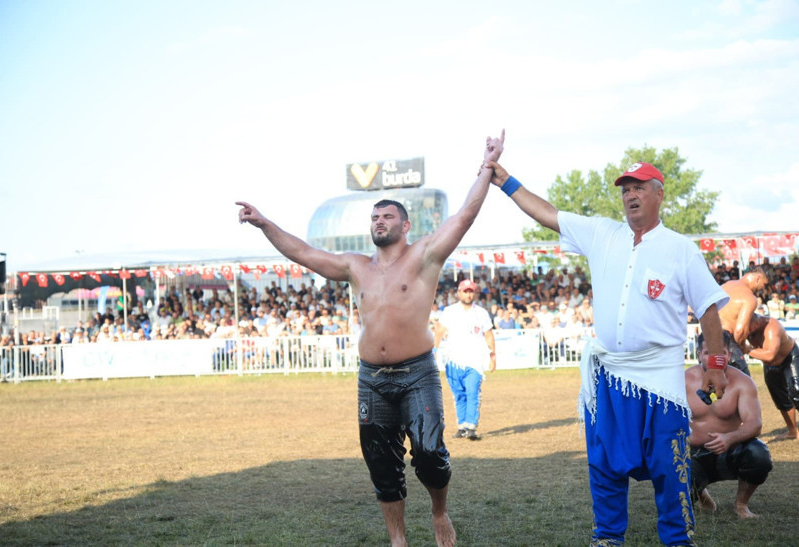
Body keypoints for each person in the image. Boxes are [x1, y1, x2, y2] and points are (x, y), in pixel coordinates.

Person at [236, 130, 505, 547]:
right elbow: (304, 253)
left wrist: (487, 166)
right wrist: (265, 223)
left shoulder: (425, 255)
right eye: (375, 218)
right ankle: (398, 539)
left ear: (405, 223)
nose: (379, 222)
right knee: (381, 463)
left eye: (387, 217)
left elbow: (465, 214)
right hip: (372, 378)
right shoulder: (355, 266)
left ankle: (439, 512)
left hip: (417, 372)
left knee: (431, 452)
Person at [487, 159, 729, 546]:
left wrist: (716, 363)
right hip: (610, 376)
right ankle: (607, 537)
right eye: (625, 189)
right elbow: (547, 213)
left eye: (639, 187)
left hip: (660, 377)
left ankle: (678, 538)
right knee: (604, 463)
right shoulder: (602, 233)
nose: (630, 195)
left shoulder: (680, 249)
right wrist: (505, 181)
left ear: (659, 194)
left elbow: (709, 308)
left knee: (670, 464)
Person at [686, 331, 772, 518]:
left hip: (731, 453)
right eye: (709, 352)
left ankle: (741, 505)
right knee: (672, 467)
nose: (715, 358)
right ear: (699, 354)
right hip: (694, 454)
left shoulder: (742, 382)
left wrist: (729, 438)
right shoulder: (683, 381)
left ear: (728, 354)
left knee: (759, 454)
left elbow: (754, 424)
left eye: (721, 352)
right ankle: (700, 492)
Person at [434, 279, 496, 441]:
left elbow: (489, 335)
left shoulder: (481, 313)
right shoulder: (449, 311)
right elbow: (439, 331)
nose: (468, 294)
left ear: (474, 293)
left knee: (472, 392)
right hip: (453, 360)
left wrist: (493, 356)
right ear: (459, 293)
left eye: (471, 291)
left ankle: (471, 426)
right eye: (465, 291)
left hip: (474, 360)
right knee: (459, 394)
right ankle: (462, 426)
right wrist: (433, 350)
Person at [746, 313, 799, 441]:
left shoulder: (772, 327)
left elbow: (770, 355)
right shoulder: (744, 328)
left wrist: (746, 350)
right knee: (779, 397)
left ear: (757, 323)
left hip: (789, 357)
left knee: (797, 391)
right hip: (770, 365)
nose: (746, 331)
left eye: (749, 328)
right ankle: (793, 431)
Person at [717, 267, 769, 376]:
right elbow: (740, 331)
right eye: (764, 285)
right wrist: (742, 347)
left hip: (707, 338)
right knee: (744, 386)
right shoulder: (749, 298)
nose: (762, 289)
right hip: (726, 340)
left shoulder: (726, 285)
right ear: (758, 278)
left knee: (711, 384)